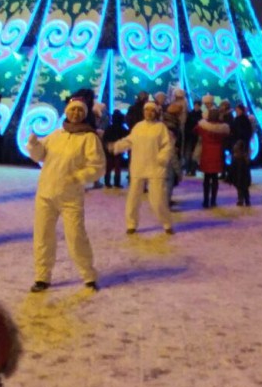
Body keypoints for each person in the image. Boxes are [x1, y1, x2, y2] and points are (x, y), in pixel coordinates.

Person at [27, 97, 106, 292]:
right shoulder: (56, 135)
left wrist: (79, 176)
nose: (75, 113)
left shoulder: (89, 138)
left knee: (76, 236)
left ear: (84, 114)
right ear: (67, 112)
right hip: (46, 194)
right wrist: (34, 145)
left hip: (71, 197)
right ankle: (42, 276)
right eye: (72, 110)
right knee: (42, 236)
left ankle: (88, 275)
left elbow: (97, 167)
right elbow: (39, 156)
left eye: (80, 111)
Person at [109, 101, 174, 234]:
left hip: (156, 167)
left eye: (152, 110)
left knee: (158, 199)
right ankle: (131, 224)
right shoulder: (138, 127)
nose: (149, 113)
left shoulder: (161, 128)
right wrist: (116, 146)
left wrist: (162, 157)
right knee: (133, 198)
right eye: (146, 110)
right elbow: (129, 141)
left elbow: (167, 145)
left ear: (156, 113)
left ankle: (166, 223)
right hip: (138, 166)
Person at [195, 108, 230, 208]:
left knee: (206, 178)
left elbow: (195, 130)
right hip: (217, 154)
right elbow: (227, 135)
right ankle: (213, 200)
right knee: (215, 178)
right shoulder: (222, 128)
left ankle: (206, 201)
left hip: (206, 154)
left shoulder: (203, 127)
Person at [102, 110, 128, 188]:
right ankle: (117, 183)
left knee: (109, 166)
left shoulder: (109, 128)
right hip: (118, 148)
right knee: (117, 166)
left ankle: (107, 182)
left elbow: (105, 138)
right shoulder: (122, 128)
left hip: (109, 148)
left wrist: (106, 146)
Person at [183, 99, 203, 175]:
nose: (196, 107)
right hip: (190, 136)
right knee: (188, 153)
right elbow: (187, 125)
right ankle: (188, 169)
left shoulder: (201, 115)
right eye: (195, 105)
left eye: (197, 105)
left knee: (195, 154)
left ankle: (193, 170)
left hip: (197, 137)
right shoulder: (190, 114)